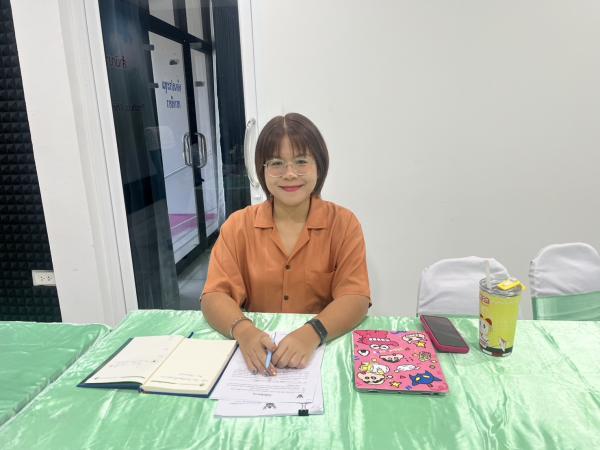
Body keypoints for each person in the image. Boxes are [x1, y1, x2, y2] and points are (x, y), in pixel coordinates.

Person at [201, 113, 370, 376]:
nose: (289, 174)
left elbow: (355, 297)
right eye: (277, 163)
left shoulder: (344, 224)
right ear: (263, 170)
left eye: (301, 161)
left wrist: (313, 333)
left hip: (320, 351)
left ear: (319, 166)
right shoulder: (238, 226)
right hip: (257, 354)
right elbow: (214, 296)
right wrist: (244, 330)